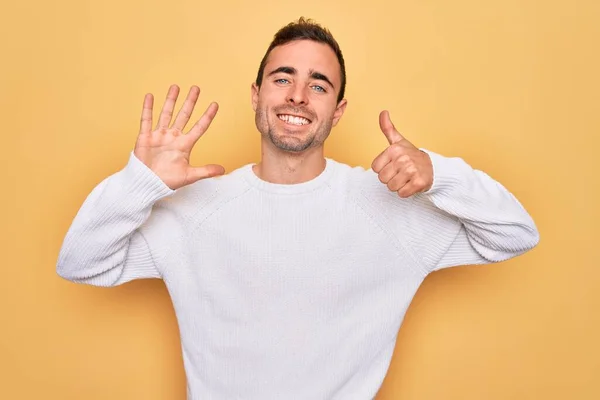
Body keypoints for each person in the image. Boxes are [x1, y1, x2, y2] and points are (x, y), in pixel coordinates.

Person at [56, 17, 539, 400]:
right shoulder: (195, 211)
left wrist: (440, 173)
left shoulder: (386, 208)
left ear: (338, 110)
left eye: (319, 84)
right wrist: (139, 184)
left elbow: (515, 233)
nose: (297, 96)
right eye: (282, 78)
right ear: (257, 95)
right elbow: (80, 263)